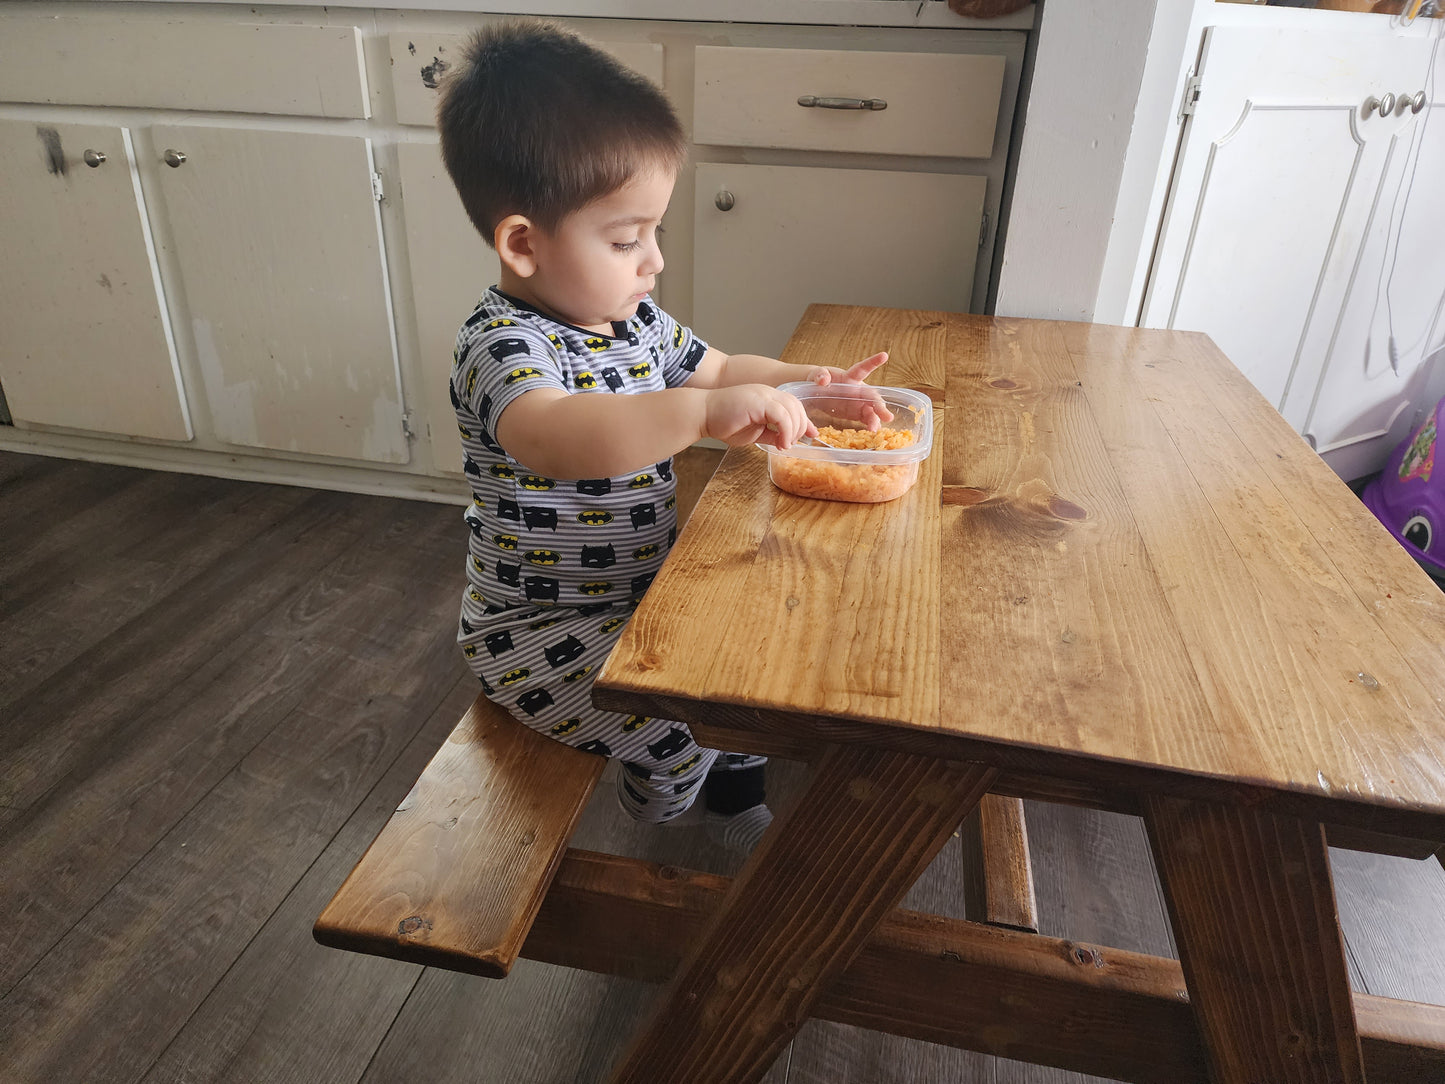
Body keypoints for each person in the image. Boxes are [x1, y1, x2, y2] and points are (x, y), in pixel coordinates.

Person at [436, 21, 889, 853]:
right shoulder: (504, 346)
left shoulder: (628, 319)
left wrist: (806, 388)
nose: (652, 263)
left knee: (747, 665)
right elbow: (557, 436)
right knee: (679, 727)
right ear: (522, 244)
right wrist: (696, 418)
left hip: (644, 587)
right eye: (624, 239)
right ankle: (661, 806)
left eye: (653, 234)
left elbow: (715, 369)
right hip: (539, 630)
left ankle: (734, 783)